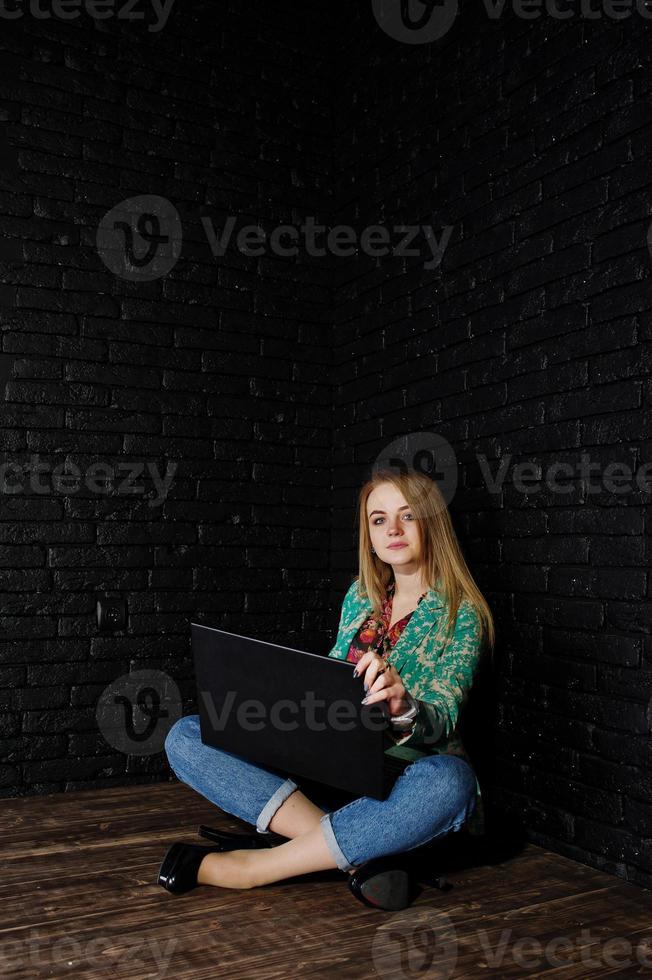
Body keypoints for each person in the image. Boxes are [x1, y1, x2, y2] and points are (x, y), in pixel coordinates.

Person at [159, 468, 495, 908]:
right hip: (331, 767)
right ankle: (354, 855)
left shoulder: (462, 614)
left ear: (432, 523)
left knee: (452, 783)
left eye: (407, 516)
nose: (392, 529)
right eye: (378, 520)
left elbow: (443, 718)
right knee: (185, 734)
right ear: (369, 534)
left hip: (402, 780)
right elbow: (333, 685)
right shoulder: (361, 596)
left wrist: (405, 706)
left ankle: (256, 868)